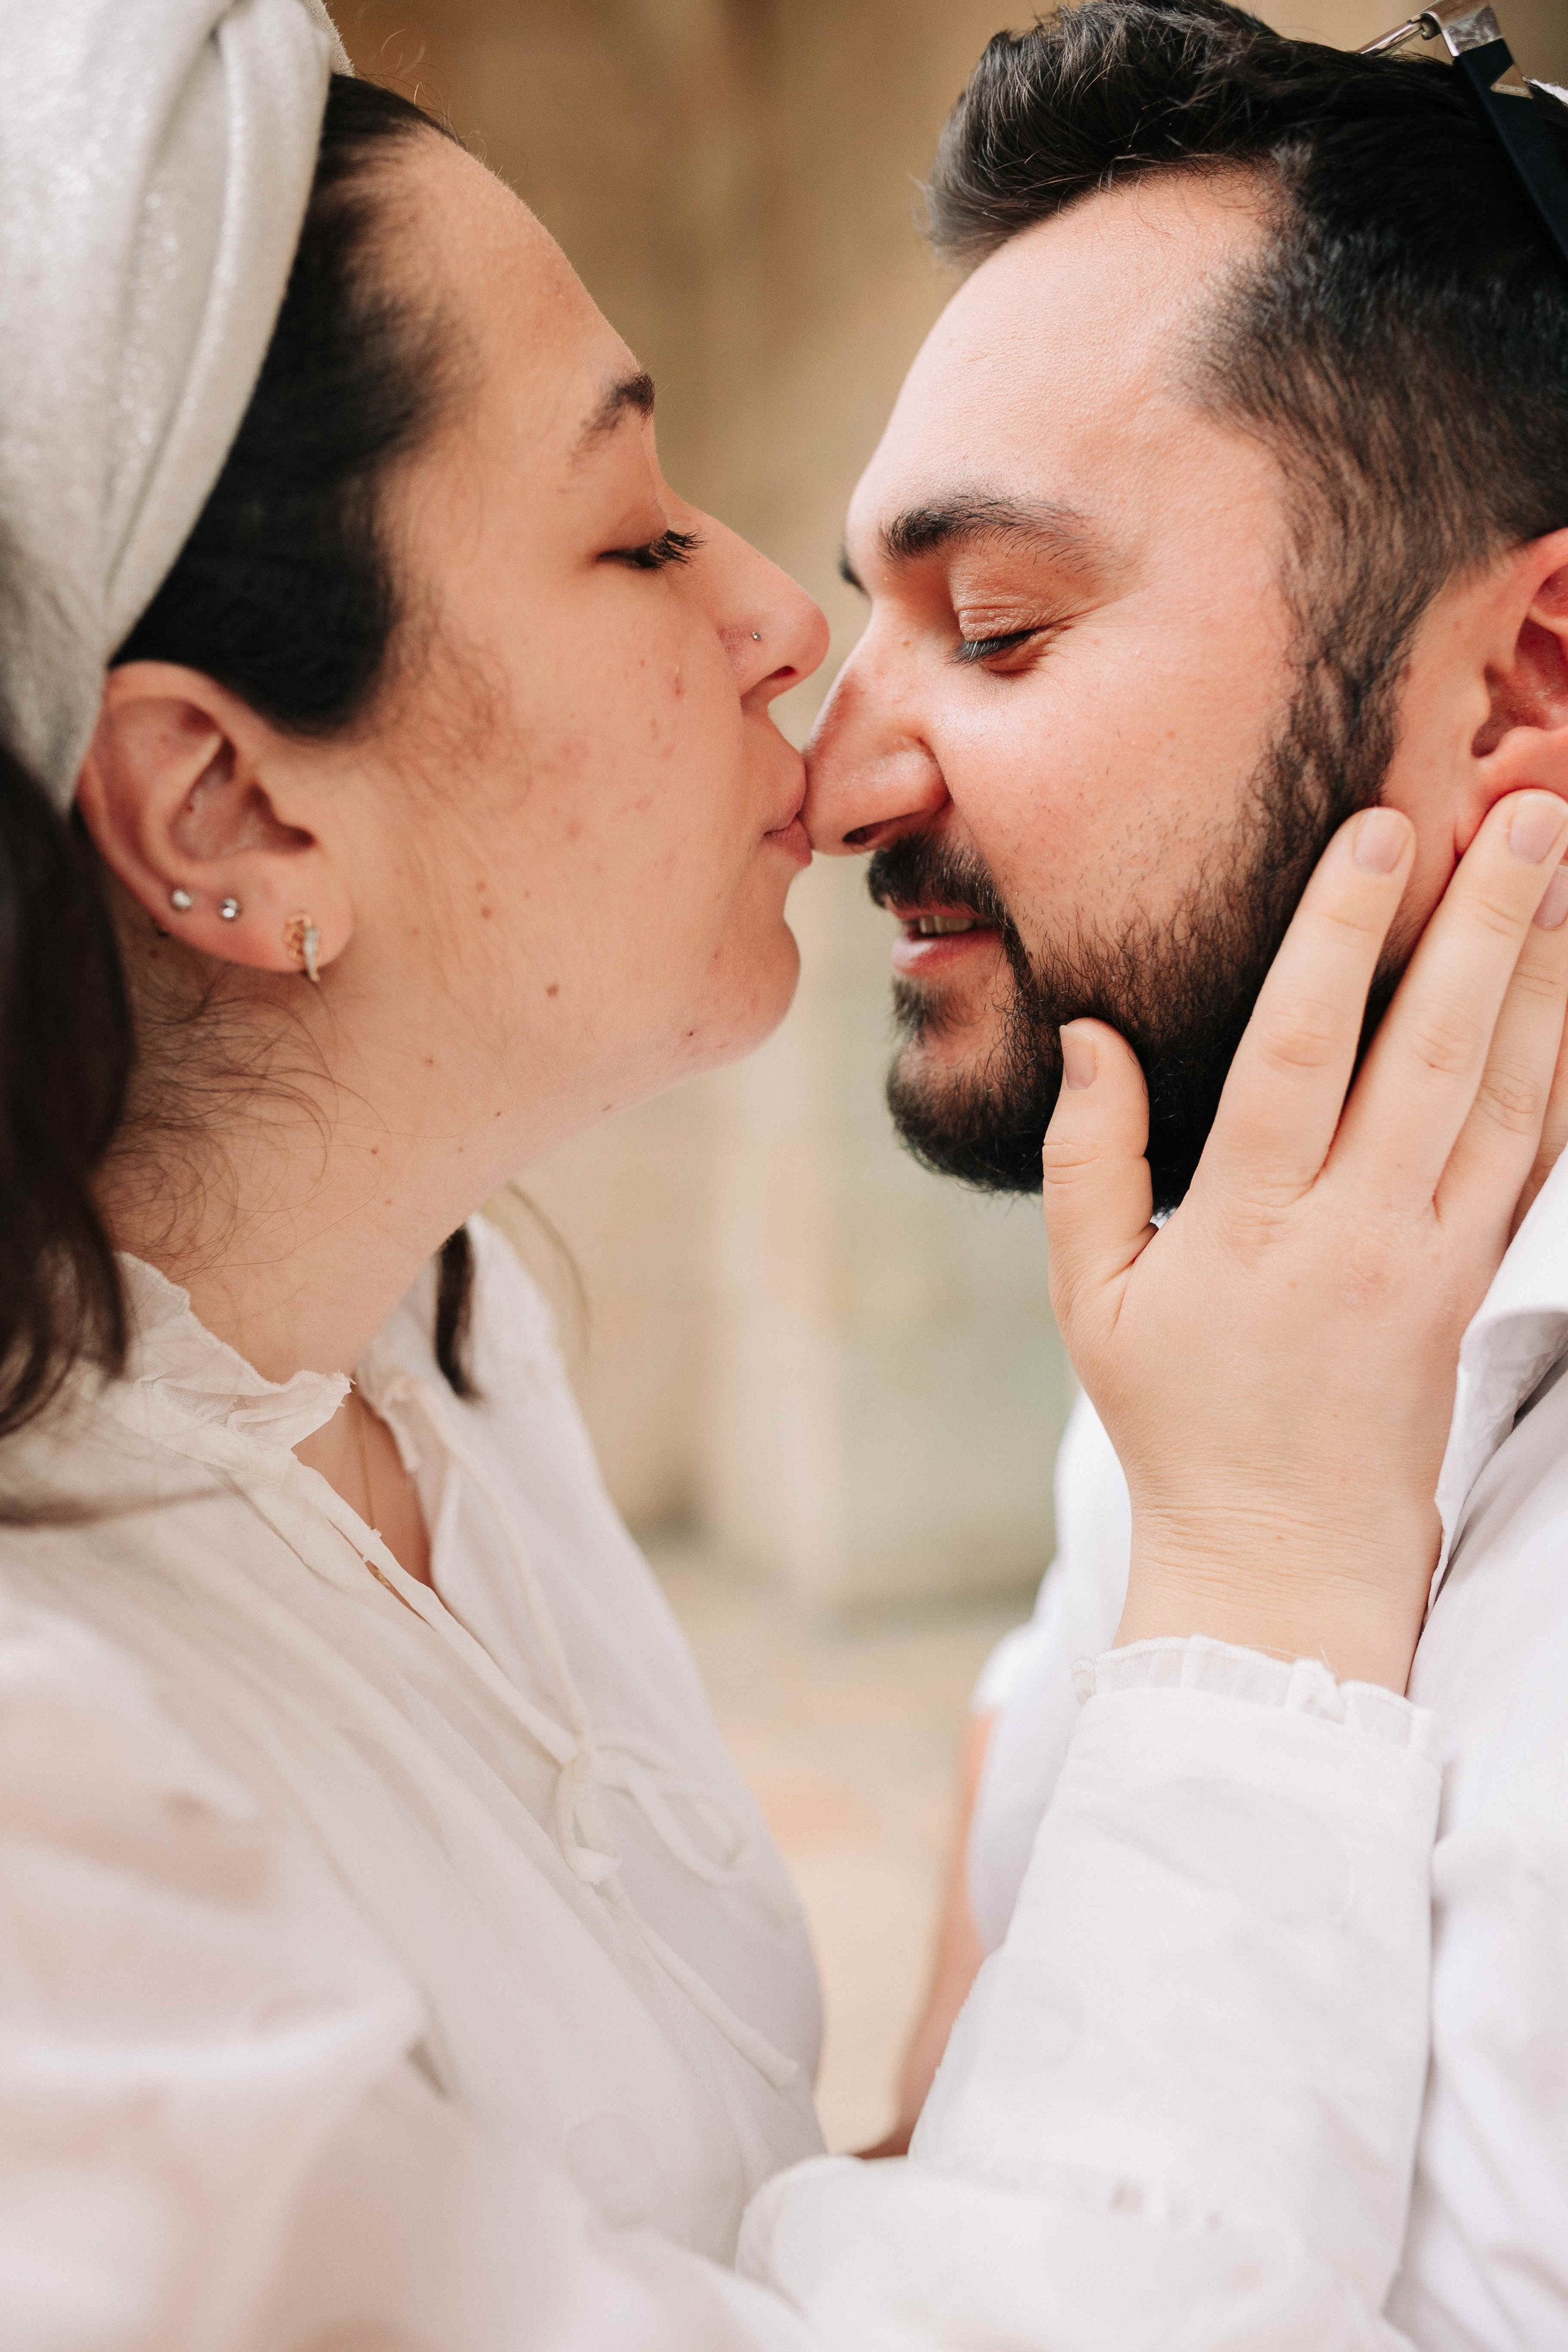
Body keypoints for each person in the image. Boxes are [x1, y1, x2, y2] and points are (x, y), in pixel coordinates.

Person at [0, 3, 1562, 2346]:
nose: (817, 703)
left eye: (999, 627)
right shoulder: (1241, 1395)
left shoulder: (441, 1330)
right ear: (228, 808)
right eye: (635, 535)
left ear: (1529, 677)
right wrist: (1252, 1586)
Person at [807, 6, 1568, 2342]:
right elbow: (1022, 1799)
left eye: (998, 627)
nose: (835, 775)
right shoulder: (1247, 1261)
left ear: (1529, 679)